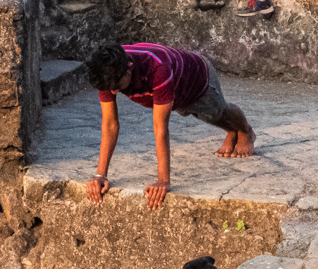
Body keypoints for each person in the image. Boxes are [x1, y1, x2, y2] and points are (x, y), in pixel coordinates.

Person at [83, 42, 256, 210]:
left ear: (129, 67)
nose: (113, 92)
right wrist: (100, 175)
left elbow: (160, 129)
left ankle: (245, 131)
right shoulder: (108, 72)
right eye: (110, 89)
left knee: (217, 112)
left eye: (117, 87)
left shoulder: (157, 67)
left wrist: (163, 181)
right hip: (173, 95)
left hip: (196, 78)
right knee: (202, 115)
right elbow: (110, 124)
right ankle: (231, 131)